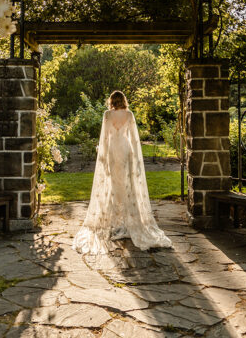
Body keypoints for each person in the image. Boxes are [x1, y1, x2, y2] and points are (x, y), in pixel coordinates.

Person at [73, 90, 172, 254]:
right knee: (127, 185)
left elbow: (104, 138)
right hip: (125, 149)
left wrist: (102, 155)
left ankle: (115, 221)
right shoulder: (129, 114)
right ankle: (125, 221)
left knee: (114, 184)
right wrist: (134, 157)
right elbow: (134, 139)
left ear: (111, 100)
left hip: (113, 150)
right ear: (124, 100)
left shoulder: (107, 115)